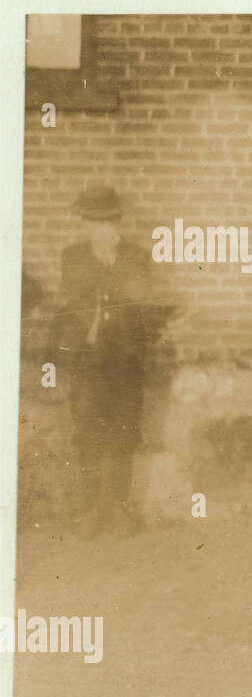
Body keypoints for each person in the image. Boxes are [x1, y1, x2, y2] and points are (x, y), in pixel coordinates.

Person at [49, 185, 154, 539]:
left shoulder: (136, 256)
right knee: (88, 434)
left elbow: (138, 298)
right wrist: (105, 263)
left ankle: (118, 507)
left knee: (123, 434)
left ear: (117, 221)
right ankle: (92, 509)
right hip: (87, 362)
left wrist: (114, 261)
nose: (100, 228)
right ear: (85, 223)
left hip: (124, 362)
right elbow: (76, 295)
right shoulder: (73, 256)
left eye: (106, 221)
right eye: (93, 222)